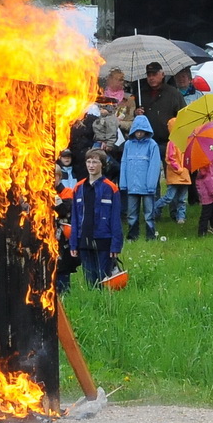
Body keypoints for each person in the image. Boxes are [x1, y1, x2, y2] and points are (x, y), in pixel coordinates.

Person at [67, 149, 123, 284]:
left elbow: (116, 219)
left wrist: (116, 245)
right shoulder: (78, 187)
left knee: (104, 279)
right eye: (89, 162)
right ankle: (92, 296)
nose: (91, 165)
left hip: (104, 239)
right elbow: (75, 218)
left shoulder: (111, 188)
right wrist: (73, 243)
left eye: (95, 162)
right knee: (89, 280)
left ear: (102, 165)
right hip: (84, 239)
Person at [118, 115, 162, 240]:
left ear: (146, 131)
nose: (139, 133)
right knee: (132, 213)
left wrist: (151, 185)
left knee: (149, 213)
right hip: (132, 185)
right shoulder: (128, 145)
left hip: (147, 186)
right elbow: (124, 163)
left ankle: (150, 235)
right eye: (137, 131)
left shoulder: (152, 145)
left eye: (142, 131)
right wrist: (123, 183)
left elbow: (154, 166)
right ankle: (132, 235)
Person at [132, 61, 185, 146]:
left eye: (154, 74)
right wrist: (136, 113)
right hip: (146, 141)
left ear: (162, 74)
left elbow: (182, 115)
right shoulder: (141, 94)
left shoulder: (173, 93)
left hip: (167, 141)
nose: (151, 78)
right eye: (149, 75)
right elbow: (135, 118)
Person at [161, 135, 192, 225]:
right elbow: (170, 158)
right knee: (169, 197)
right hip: (175, 175)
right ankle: (154, 210)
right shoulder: (172, 143)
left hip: (184, 175)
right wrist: (179, 169)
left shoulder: (187, 143)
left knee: (182, 199)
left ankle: (181, 217)